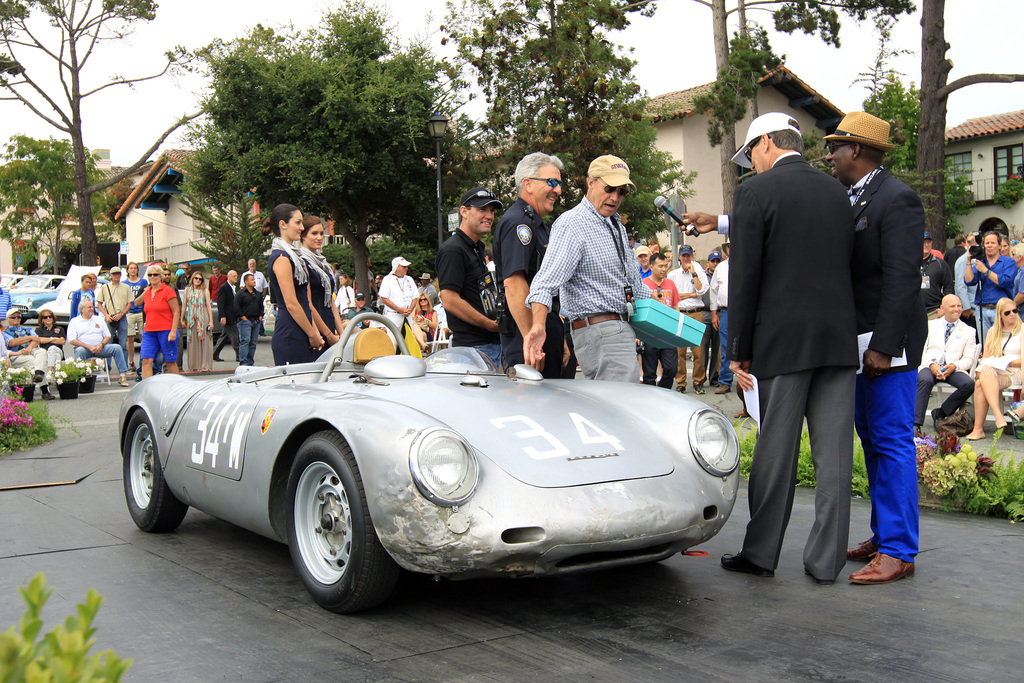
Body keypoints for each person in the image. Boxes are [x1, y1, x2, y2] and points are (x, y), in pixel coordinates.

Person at [709, 112, 858, 586]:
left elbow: (746, 276)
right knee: (833, 458)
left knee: (777, 452)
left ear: (767, 143)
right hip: (836, 339)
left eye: (751, 152)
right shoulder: (836, 190)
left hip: (782, 341)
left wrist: (738, 350)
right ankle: (826, 561)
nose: (750, 163)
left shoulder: (755, 192)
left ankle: (761, 551)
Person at [827, 110, 928, 586]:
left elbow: (904, 279)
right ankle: (883, 534)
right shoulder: (854, 198)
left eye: (835, 147)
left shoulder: (898, 198)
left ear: (857, 151)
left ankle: (900, 550)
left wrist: (885, 346)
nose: (830, 156)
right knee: (872, 442)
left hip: (889, 348)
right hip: (861, 343)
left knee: (891, 444)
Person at [524, 155, 652, 382]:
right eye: (610, 188)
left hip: (617, 328)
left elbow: (634, 284)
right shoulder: (573, 223)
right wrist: (538, 327)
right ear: (590, 182)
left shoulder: (616, 226)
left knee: (621, 408)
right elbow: (544, 283)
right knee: (620, 409)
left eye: (622, 192)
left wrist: (671, 317)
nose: (615, 197)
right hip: (599, 331)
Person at [493, 151, 569, 377]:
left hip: (540, 329)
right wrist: (532, 341)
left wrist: (554, 334)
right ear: (528, 184)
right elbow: (515, 284)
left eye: (559, 183)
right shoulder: (519, 222)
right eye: (552, 182)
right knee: (533, 405)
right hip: (526, 335)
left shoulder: (536, 223)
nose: (558, 190)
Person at [436, 188, 504, 368]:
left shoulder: (476, 247)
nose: (489, 216)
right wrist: (490, 325)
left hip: (489, 346)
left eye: (492, 211)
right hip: (473, 349)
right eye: (482, 209)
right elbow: (449, 300)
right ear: (464, 212)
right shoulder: (453, 249)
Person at [264, 204, 324, 365]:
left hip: (302, 329)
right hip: (290, 333)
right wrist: (312, 334)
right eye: (297, 223)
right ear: (283, 224)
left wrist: (314, 333)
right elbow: (291, 304)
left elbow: (305, 301)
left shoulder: (295, 257)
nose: (301, 227)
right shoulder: (281, 258)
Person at [916, 294, 978, 431]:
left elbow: (969, 359)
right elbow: (920, 350)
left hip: (952, 367)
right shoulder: (930, 325)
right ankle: (916, 423)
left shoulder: (969, 331)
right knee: (924, 380)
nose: (957, 309)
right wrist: (932, 365)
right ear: (942, 308)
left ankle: (941, 412)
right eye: (952, 306)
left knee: (968, 384)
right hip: (930, 364)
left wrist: (955, 366)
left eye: (959, 306)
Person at [964, 297, 1022, 440]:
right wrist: (997, 362)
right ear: (1000, 315)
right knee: (982, 376)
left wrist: (1006, 362)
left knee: (980, 383)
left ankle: (980, 428)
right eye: (1007, 313)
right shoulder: (993, 331)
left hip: (1016, 372)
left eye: (1015, 310)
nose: (1013, 314)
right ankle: (998, 415)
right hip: (996, 371)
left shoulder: (1022, 330)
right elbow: (986, 358)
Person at [668, 245, 709, 394]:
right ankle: (681, 382)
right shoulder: (673, 274)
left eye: (688, 256)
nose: (686, 259)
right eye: (683, 256)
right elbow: (674, 295)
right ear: (679, 256)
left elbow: (701, 291)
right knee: (680, 351)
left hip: (695, 312)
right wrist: (690, 295)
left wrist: (694, 274)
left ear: (692, 256)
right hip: (680, 312)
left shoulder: (698, 271)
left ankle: (698, 381)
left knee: (698, 351)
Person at [300, 215, 345, 347]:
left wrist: (342, 333)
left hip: (328, 320)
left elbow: (331, 301)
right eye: (314, 233)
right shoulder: (302, 262)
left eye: (321, 233)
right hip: (314, 324)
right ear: (303, 235)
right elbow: (307, 302)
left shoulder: (323, 264)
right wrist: (328, 335)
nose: (319, 237)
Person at [965, 230, 1016, 344]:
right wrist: (969, 262)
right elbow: (969, 281)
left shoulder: (1009, 262)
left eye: (993, 243)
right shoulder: (981, 262)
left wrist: (986, 271)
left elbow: (1005, 281)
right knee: (986, 345)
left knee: (1003, 344)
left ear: (999, 245)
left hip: (1001, 310)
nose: (989, 246)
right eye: (987, 243)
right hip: (982, 309)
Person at [67, 299, 131, 386]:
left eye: (92, 307)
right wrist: (89, 347)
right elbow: (71, 340)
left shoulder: (99, 319)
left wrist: (101, 345)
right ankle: (80, 378)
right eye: (89, 307)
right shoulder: (75, 321)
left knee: (117, 347)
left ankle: (122, 376)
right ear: (82, 309)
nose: (92, 309)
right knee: (79, 351)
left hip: (101, 348)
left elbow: (107, 336)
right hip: (85, 349)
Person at [133, 264, 180, 379]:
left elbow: (176, 311)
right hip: (149, 331)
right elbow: (136, 303)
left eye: (155, 275)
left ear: (161, 276)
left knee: (170, 361)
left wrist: (173, 331)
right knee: (146, 360)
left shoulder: (168, 291)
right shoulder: (148, 291)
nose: (152, 277)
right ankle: (146, 389)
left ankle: (177, 387)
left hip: (166, 330)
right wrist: (148, 290)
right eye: (150, 275)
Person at [640, 252, 679, 388]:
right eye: (660, 266)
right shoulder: (643, 284)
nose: (664, 269)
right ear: (651, 267)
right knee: (649, 373)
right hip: (649, 333)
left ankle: (663, 391)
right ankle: (650, 399)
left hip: (668, 333)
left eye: (665, 266)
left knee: (671, 369)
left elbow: (675, 306)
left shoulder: (670, 284)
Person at [708, 250, 732, 397]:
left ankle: (751, 381)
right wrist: (714, 313)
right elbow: (714, 291)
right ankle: (725, 381)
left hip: (745, 311)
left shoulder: (748, 263)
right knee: (725, 348)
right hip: (726, 311)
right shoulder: (721, 267)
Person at [3, 308, 48, 385]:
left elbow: (36, 340)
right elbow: (12, 343)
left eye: (19, 317)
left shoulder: (27, 329)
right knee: (36, 362)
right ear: (7, 319)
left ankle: (38, 374)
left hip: (30, 350)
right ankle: (44, 389)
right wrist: (30, 338)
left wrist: (29, 348)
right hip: (17, 353)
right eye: (13, 317)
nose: (16, 318)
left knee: (42, 352)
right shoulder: (5, 332)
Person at [379, 256, 420, 338]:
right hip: (393, 315)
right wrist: (399, 310)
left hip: (407, 316)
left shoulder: (409, 279)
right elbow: (384, 299)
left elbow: (415, 298)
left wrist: (409, 310)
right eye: (404, 267)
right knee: (392, 340)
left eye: (407, 266)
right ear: (396, 267)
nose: (406, 268)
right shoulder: (387, 279)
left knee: (408, 340)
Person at [96, 266, 132, 359]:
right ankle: (107, 366)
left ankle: (124, 366)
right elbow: (99, 303)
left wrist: (122, 314)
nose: (116, 276)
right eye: (114, 274)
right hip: (109, 317)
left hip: (122, 317)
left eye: (118, 274)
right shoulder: (105, 287)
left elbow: (129, 303)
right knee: (108, 342)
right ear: (110, 275)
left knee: (123, 343)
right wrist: (106, 315)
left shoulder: (126, 287)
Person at [182, 270, 215, 372]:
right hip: (191, 317)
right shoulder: (187, 290)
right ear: (192, 279)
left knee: (204, 341)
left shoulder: (205, 291)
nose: (198, 280)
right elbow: (184, 305)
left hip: (203, 316)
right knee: (192, 341)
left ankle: (205, 365)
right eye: (196, 278)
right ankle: (194, 365)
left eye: (200, 279)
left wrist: (211, 321)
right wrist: (182, 318)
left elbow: (208, 306)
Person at [921, 233, 953, 319]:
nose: (926, 245)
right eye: (923, 242)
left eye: (928, 242)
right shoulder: (910, 264)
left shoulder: (940, 264)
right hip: (913, 311)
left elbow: (949, 287)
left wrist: (944, 308)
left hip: (934, 311)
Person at [33, 308, 64, 400]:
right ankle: (58, 380)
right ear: (41, 319)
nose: (48, 319)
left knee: (52, 348)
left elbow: (62, 341)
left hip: (57, 350)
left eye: (50, 316)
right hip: (46, 354)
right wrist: (53, 338)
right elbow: (40, 340)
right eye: (45, 317)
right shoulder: (39, 330)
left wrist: (47, 339)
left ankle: (49, 372)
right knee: (55, 355)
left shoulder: (59, 328)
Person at [123, 262, 147, 371]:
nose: (133, 270)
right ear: (127, 270)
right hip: (130, 312)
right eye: (131, 268)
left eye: (135, 268)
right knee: (130, 337)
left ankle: (144, 360)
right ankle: (131, 361)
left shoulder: (143, 282)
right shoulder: (124, 284)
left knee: (143, 336)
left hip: (141, 311)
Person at [954, 235, 979, 336]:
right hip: (971, 309)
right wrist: (966, 307)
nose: (973, 244)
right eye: (970, 241)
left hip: (979, 306)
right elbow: (960, 286)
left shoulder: (980, 259)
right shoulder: (962, 261)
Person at [213, 270, 240, 363]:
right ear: (229, 277)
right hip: (227, 317)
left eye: (236, 276)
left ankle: (215, 352)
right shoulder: (224, 287)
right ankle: (239, 354)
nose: (236, 277)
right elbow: (220, 303)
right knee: (235, 335)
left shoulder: (235, 288)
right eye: (234, 276)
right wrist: (222, 316)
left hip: (234, 315)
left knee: (224, 336)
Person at [236, 273, 263, 366]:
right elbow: (236, 306)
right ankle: (243, 361)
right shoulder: (240, 294)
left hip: (255, 320)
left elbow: (261, 306)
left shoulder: (258, 294)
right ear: (246, 282)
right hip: (245, 321)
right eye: (252, 280)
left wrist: (260, 316)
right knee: (245, 341)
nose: (254, 281)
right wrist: (243, 317)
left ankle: (250, 361)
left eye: (254, 279)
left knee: (253, 342)